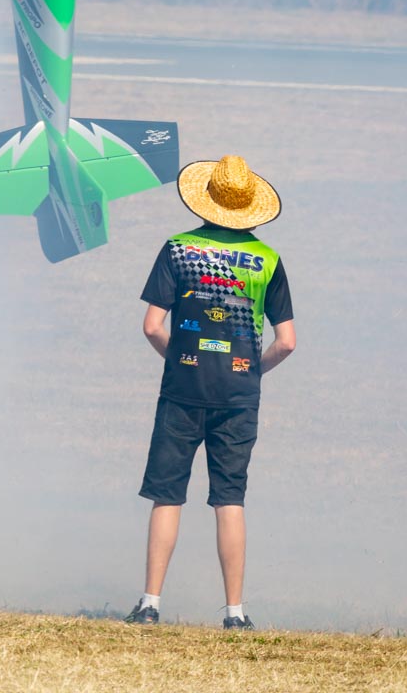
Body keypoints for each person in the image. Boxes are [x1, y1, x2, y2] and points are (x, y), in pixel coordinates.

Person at [125, 154, 295, 630]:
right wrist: (251, 373)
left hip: (182, 387)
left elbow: (152, 326)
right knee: (230, 499)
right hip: (239, 395)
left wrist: (179, 359)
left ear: (206, 198)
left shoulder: (177, 248)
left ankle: (150, 604)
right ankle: (236, 614)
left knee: (167, 496)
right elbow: (287, 342)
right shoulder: (268, 259)